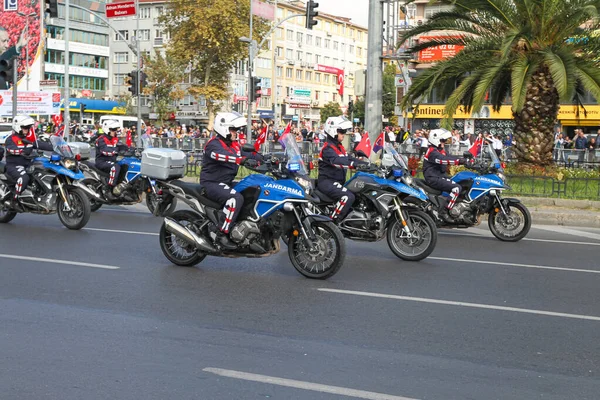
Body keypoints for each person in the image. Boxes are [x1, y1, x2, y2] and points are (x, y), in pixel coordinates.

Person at [200, 112, 263, 249]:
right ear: (224, 128)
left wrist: (267, 159)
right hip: (212, 183)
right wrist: (242, 160)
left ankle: (243, 227)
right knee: (235, 198)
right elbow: (223, 156)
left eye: (236, 130)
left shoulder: (233, 145)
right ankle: (221, 233)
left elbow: (247, 153)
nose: (236, 132)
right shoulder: (213, 145)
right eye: (233, 129)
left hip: (226, 182)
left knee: (253, 189)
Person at [317, 116, 368, 221]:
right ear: (333, 131)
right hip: (327, 182)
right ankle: (331, 223)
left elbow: (348, 158)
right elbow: (337, 161)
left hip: (338, 182)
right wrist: (354, 164)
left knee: (359, 194)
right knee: (348, 197)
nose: (344, 133)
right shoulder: (327, 149)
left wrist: (367, 164)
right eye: (341, 131)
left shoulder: (339, 147)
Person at [423, 129, 472, 219]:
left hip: (439, 176)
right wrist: (460, 161)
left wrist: (466, 160)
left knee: (462, 182)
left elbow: (450, 157)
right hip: (433, 177)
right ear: (436, 140)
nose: (444, 142)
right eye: (443, 140)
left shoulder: (439, 150)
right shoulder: (432, 152)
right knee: (456, 188)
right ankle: (444, 212)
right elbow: (443, 159)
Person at [4, 115, 53, 200]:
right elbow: (10, 149)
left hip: (29, 164)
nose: (27, 130)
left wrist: (56, 146)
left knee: (43, 173)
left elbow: (40, 145)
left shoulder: (29, 139)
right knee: (23, 178)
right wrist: (21, 151)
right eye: (25, 127)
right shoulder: (11, 139)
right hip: (14, 165)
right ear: (18, 127)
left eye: (28, 128)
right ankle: (15, 198)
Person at [95, 120, 127, 197]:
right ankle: (109, 188)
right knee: (115, 167)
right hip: (102, 161)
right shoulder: (101, 139)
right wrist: (117, 151)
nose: (115, 131)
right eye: (113, 130)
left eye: (115, 130)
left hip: (112, 160)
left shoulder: (115, 139)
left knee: (125, 165)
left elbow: (122, 146)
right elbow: (104, 151)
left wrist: (131, 150)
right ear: (107, 130)